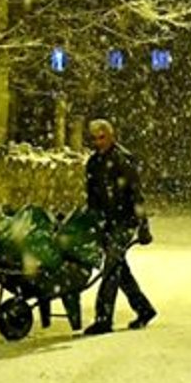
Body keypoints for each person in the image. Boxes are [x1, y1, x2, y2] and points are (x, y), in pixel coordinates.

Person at [82, 119, 156, 335]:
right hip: (106, 222)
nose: (98, 142)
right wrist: (92, 220)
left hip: (124, 221)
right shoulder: (93, 163)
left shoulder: (122, 160)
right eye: (95, 138)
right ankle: (144, 309)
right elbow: (92, 197)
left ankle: (103, 319)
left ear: (111, 136)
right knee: (119, 269)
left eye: (102, 137)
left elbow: (136, 194)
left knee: (111, 269)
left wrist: (143, 226)